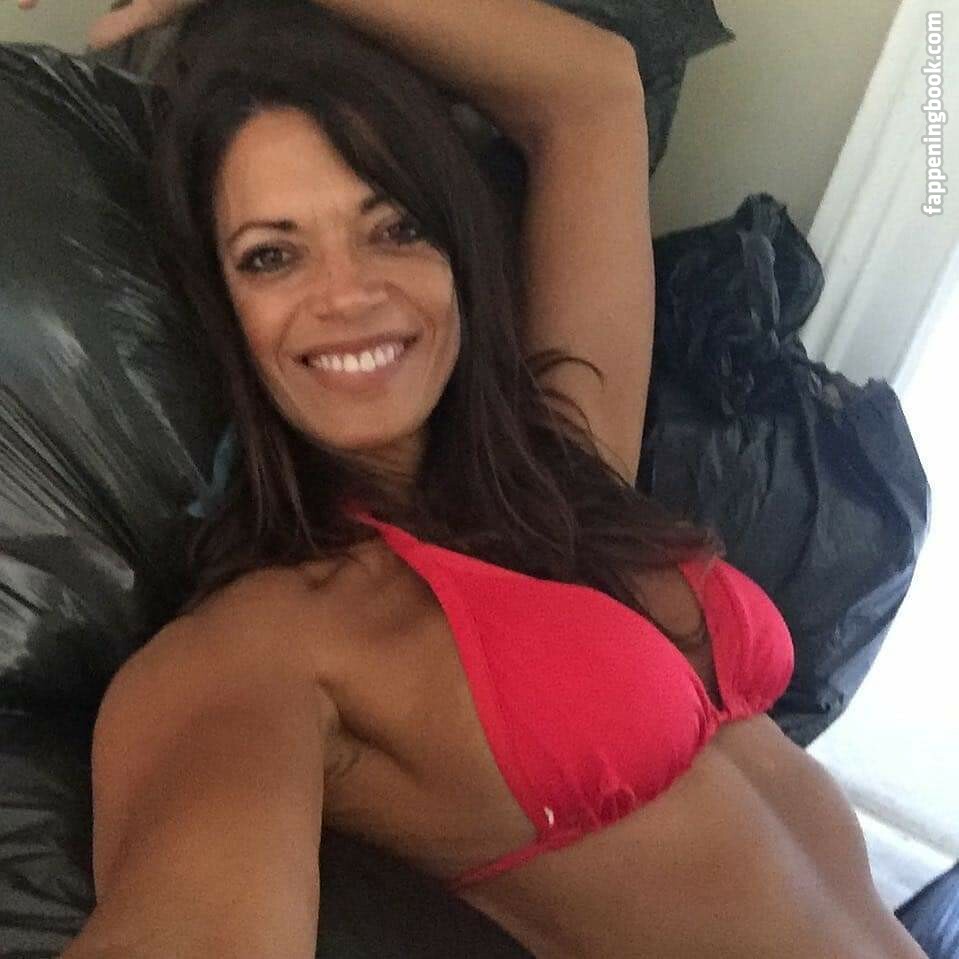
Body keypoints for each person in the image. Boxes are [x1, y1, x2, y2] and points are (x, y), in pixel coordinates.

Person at [10, 0, 928, 956]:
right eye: (272, 256)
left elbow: (592, 93)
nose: (349, 294)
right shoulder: (257, 648)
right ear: (220, 310)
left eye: (395, 228)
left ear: (458, 253)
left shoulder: (562, 461)